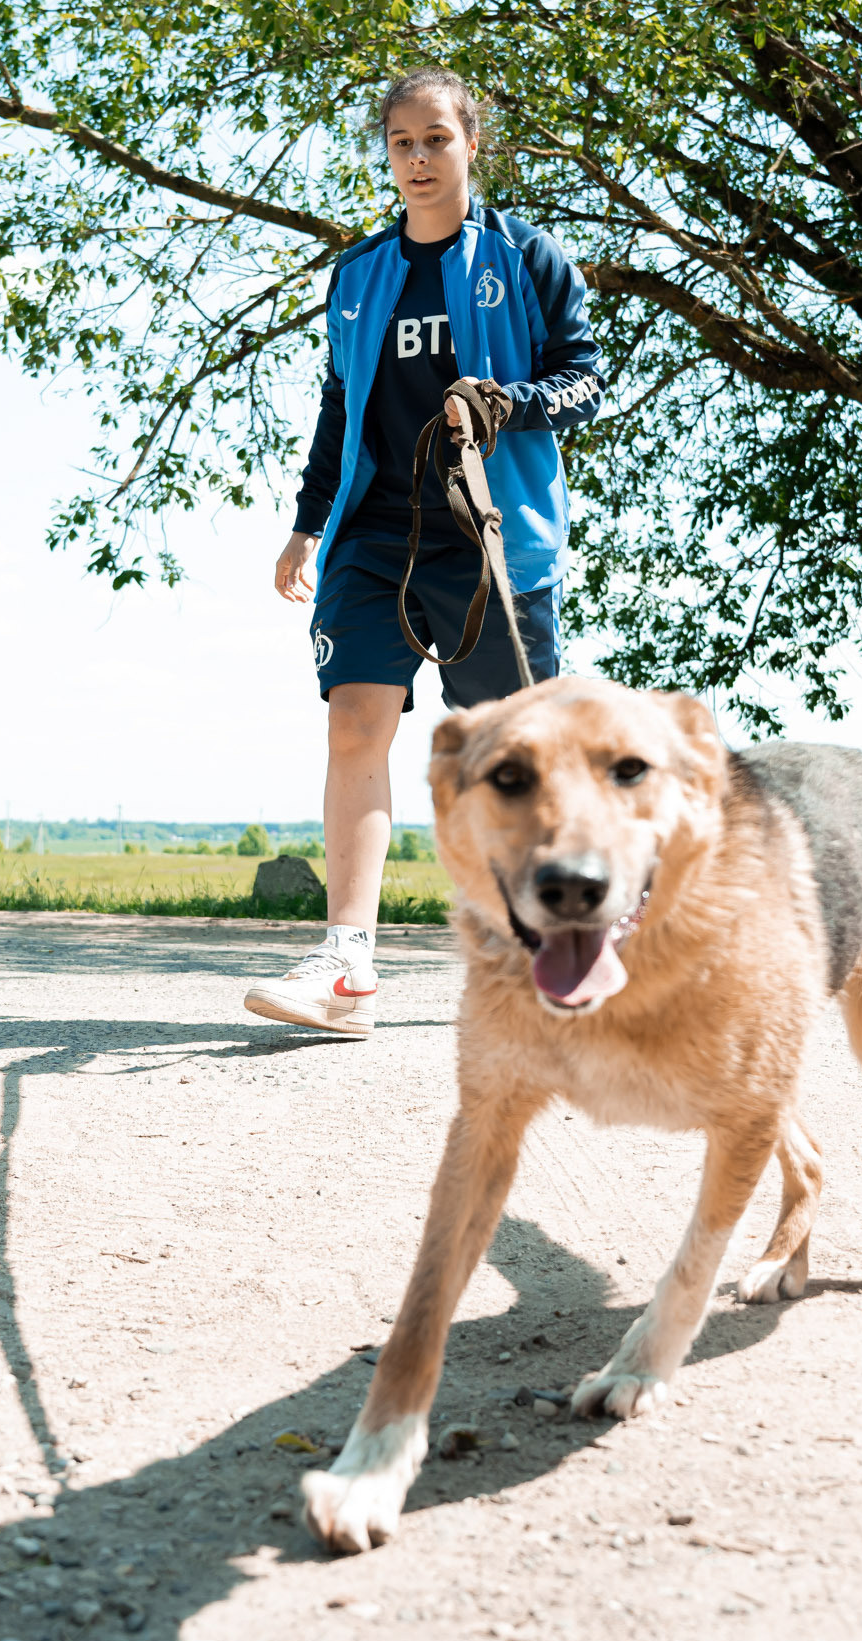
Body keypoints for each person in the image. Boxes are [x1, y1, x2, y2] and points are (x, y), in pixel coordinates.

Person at [242, 67, 604, 1038]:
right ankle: (346, 963)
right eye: (401, 142)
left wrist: (508, 400)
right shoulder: (358, 275)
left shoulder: (526, 258)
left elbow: (585, 379)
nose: (417, 158)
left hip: (489, 537)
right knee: (355, 722)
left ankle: (561, 946)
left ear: (469, 144)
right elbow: (338, 407)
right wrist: (307, 521)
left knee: (512, 754)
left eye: (435, 138)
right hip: (375, 535)